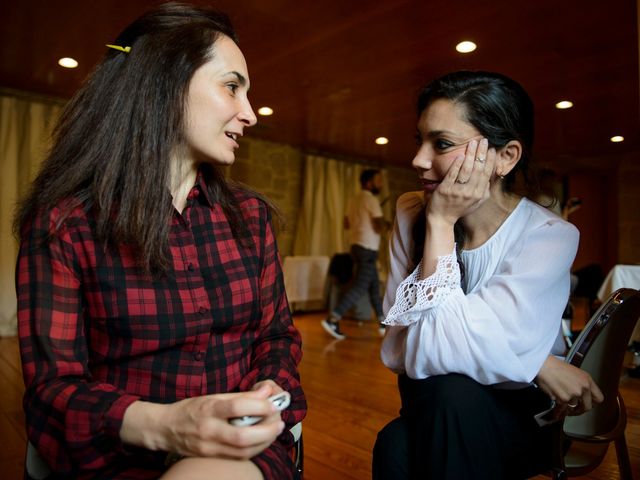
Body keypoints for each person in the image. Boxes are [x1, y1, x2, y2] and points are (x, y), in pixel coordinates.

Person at [14, 4, 305, 479]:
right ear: (165, 82)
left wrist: (264, 397)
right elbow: (53, 388)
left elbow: (277, 338)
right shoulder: (66, 224)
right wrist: (171, 425)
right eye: (233, 86)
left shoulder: (251, 218)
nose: (250, 114)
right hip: (119, 450)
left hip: (241, 447)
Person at [372, 71, 603, 479]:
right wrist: (536, 365)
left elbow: (431, 350)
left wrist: (441, 222)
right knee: (442, 398)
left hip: (522, 416)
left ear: (505, 157)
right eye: (420, 140)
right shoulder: (411, 213)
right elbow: (398, 350)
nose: (418, 160)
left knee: (401, 443)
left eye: (441, 144)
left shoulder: (549, 235)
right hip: (430, 401)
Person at [321, 169, 388, 339]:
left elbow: (346, 223)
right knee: (360, 286)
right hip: (367, 249)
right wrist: (389, 224)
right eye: (378, 180)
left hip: (356, 247)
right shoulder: (371, 200)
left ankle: (382, 323)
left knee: (373, 286)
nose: (380, 184)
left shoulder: (353, 200)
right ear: (368, 183)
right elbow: (379, 226)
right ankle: (333, 319)